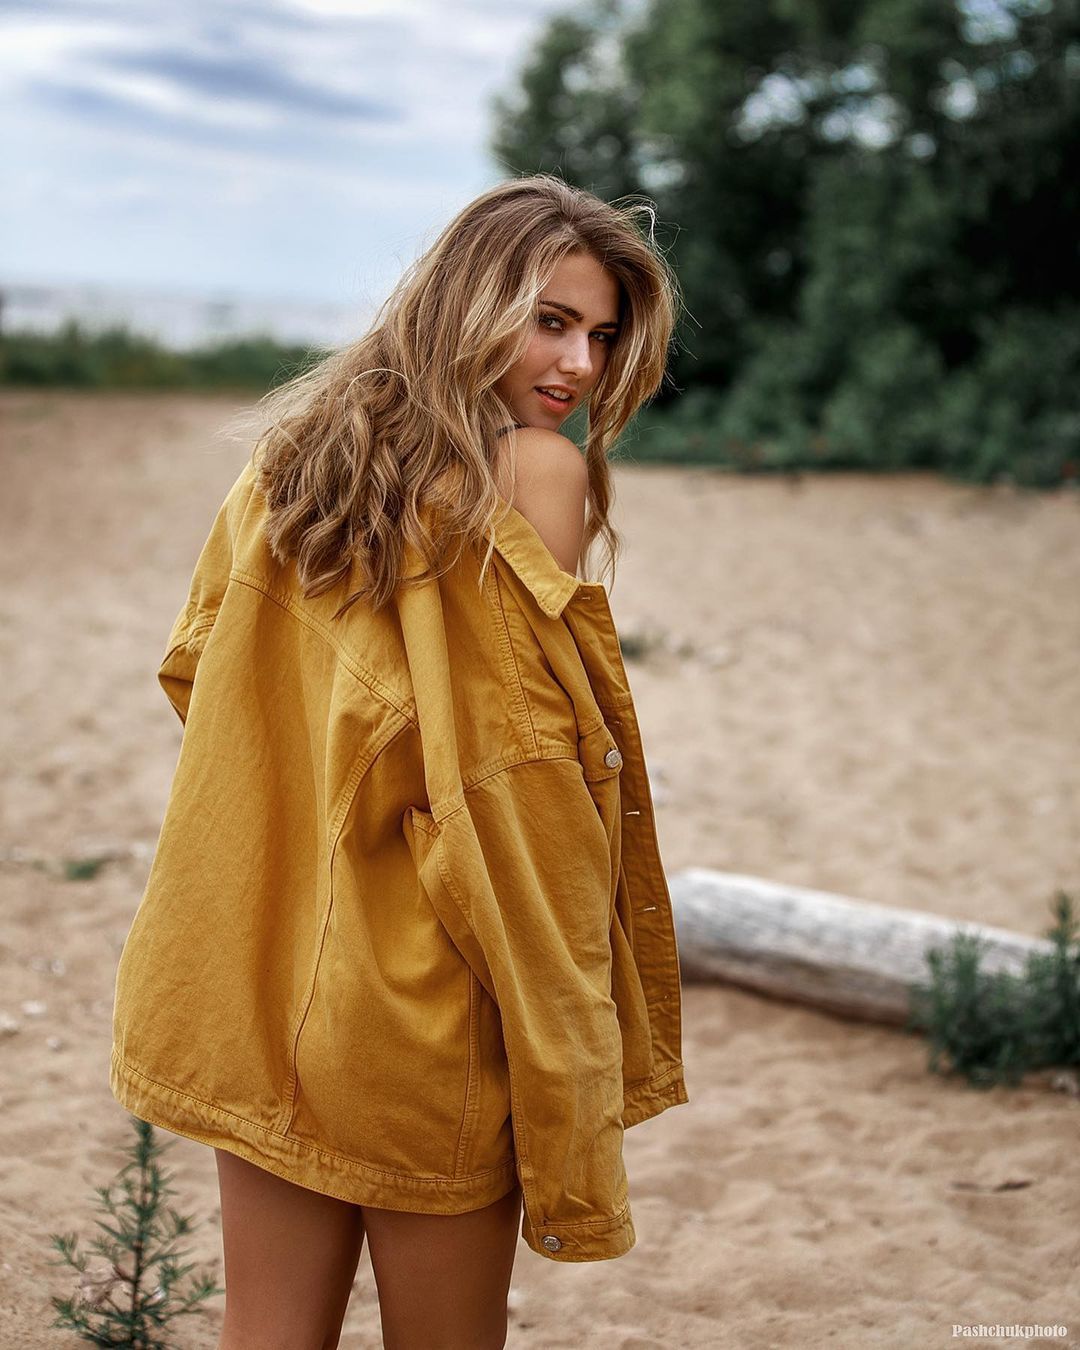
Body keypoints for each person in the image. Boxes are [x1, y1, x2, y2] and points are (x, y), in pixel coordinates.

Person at [109, 173, 690, 1350]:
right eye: (552, 321)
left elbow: (197, 677)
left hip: (256, 966)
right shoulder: (537, 473)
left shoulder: (287, 465)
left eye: (601, 335)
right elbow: (520, 787)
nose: (579, 365)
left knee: (266, 1336)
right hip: (420, 1000)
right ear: (472, 303)